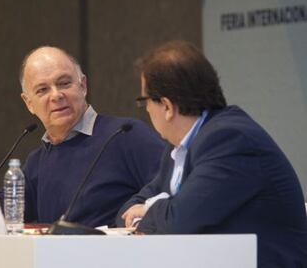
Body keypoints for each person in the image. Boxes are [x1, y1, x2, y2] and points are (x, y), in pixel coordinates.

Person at [116, 41, 307, 267]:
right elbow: (130, 208)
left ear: (166, 106)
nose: (146, 110)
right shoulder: (178, 146)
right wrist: (148, 210)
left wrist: (149, 210)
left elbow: (180, 222)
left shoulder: (230, 140)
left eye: (144, 101)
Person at [0, 46, 165, 228]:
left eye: (64, 83)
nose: (56, 95)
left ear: (83, 85)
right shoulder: (38, 161)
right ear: (28, 103)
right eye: (42, 90)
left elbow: (174, 188)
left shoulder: (125, 136)